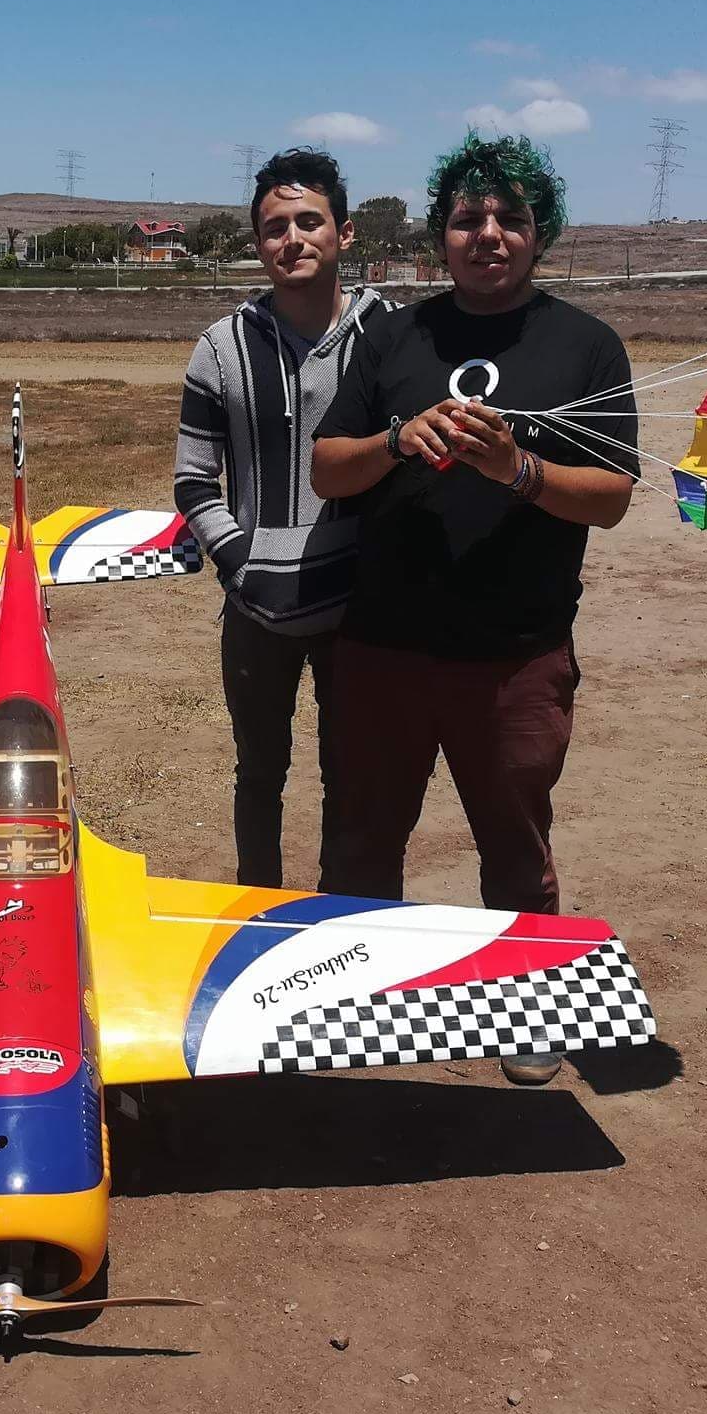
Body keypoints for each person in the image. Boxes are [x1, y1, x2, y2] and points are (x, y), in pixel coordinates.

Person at [311, 132, 636, 1085]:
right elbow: (331, 470)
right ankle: (354, 996)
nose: (487, 234)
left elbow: (611, 497)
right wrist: (399, 440)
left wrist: (517, 469)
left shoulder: (585, 345)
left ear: (541, 236)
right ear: (439, 235)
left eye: (510, 219)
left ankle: (526, 1009)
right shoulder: (392, 338)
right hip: (382, 646)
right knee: (364, 835)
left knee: (514, 840)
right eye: (467, 218)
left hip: (515, 652)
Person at [172, 148, 395, 889]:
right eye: (274, 227)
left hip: (361, 612)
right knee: (257, 775)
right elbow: (194, 480)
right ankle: (254, 913)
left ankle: (336, 919)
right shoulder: (219, 349)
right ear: (258, 243)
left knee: (353, 774)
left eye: (309, 221)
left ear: (345, 233)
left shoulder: (392, 337)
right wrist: (241, 563)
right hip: (253, 611)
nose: (292, 239)